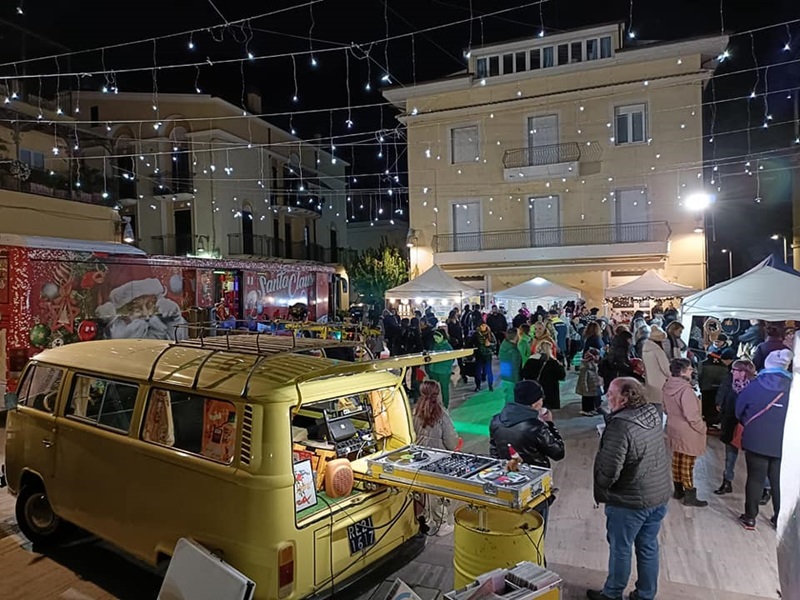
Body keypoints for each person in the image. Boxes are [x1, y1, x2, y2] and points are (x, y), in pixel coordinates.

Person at [587, 378, 672, 600]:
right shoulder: (651, 412)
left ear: (625, 398)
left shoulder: (620, 426)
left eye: (611, 393)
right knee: (648, 546)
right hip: (657, 495)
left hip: (629, 500)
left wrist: (602, 487)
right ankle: (645, 594)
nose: (607, 396)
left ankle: (612, 594)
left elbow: (609, 470)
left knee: (620, 548)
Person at [489, 380, 565, 529]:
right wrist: (550, 424)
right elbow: (558, 452)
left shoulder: (496, 420)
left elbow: (494, 451)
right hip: (534, 486)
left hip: (507, 483)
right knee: (535, 529)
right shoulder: (536, 427)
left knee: (511, 527)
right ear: (535, 402)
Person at [735, 348, 793, 530]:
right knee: (778, 481)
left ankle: (750, 518)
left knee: (755, 478)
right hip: (783, 443)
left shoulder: (754, 385)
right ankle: (779, 519)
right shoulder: (794, 388)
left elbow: (739, 411)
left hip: (756, 439)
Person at [413, 380, 459, 536]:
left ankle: (426, 520)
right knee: (439, 493)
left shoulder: (415, 411)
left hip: (420, 458)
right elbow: (450, 440)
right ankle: (441, 525)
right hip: (440, 460)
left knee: (424, 491)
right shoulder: (442, 414)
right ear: (438, 394)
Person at [662, 358, 708, 507]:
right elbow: (692, 415)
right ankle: (689, 495)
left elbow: (664, 408)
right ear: (682, 371)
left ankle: (678, 491)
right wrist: (702, 427)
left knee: (677, 459)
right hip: (688, 430)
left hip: (673, 426)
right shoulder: (686, 390)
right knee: (687, 463)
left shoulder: (667, 385)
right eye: (689, 369)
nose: (691, 370)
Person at [713, 359, 757, 495]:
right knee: (730, 455)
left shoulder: (756, 386)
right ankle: (727, 481)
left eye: (735, 370)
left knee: (754, 459)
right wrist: (720, 404)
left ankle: (760, 489)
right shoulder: (730, 381)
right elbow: (722, 393)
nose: (732, 372)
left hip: (748, 425)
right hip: (731, 422)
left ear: (744, 372)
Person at [522, 341, 567, 410]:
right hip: (550, 393)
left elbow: (525, 374)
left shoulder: (531, 360)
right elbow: (562, 376)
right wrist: (561, 366)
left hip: (534, 390)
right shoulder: (553, 362)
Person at [698, 348, 736, 427]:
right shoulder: (734, 367)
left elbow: (725, 386)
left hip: (706, 388)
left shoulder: (703, 363)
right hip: (721, 393)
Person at [641, 325, 671, 415]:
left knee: (652, 410)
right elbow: (666, 369)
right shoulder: (658, 351)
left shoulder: (645, 349)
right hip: (661, 384)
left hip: (649, 383)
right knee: (659, 410)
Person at [425, 330, 454, 408]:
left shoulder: (447, 347)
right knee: (433, 388)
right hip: (434, 370)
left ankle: (445, 405)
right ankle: (433, 403)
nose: (436, 340)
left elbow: (451, 359)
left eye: (437, 338)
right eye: (434, 338)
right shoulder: (433, 345)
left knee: (444, 388)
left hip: (444, 371)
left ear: (442, 337)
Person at [499, 328, 523, 403]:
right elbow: (515, 368)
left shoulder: (504, 345)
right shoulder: (514, 351)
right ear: (516, 337)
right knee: (512, 402)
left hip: (505, 376)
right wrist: (518, 383)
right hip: (512, 379)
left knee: (507, 400)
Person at [576, 347, 602, 416]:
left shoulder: (593, 365)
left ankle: (591, 409)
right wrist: (585, 387)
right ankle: (585, 410)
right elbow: (583, 379)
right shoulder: (585, 367)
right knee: (586, 399)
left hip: (592, 386)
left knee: (591, 399)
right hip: (587, 387)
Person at [471, 322, 496, 392]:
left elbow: (495, 344)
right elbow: (470, 342)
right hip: (479, 355)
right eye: (481, 325)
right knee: (478, 372)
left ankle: (490, 385)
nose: (483, 327)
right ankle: (478, 385)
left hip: (488, 355)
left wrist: (490, 344)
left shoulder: (490, 334)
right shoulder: (476, 334)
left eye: (484, 325)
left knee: (489, 371)